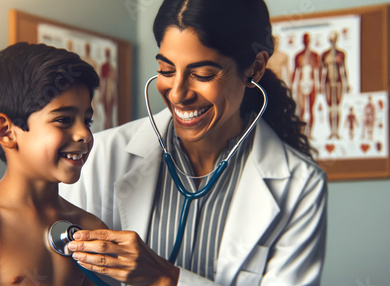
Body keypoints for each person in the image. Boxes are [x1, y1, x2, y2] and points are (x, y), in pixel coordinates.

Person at [60, 0, 328, 285]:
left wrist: (168, 279)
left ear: (256, 67)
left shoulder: (301, 185)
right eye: (166, 70)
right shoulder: (99, 156)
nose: (177, 94)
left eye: (202, 74)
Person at [0, 42, 108, 286]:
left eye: (87, 121)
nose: (84, 134)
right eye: (63, 119)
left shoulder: (90, 226)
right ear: (6, 131)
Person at [320, 30, 350, 140]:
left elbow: (343, 69)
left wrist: (347, 83)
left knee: (337, 107)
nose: (333, 41)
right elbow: (322, 71)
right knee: (330, 108)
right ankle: (331, 132)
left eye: (334, 39)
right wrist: (321, 85)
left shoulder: (341, 54)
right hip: (328, 82)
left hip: (338, 82)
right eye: (331, 39)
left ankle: (336, 131)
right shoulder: (324, 54)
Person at [291, 33, 320, 140]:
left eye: (308, 40)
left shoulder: (315, 55)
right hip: (301, 83)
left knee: (311, 109)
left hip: (311, 83)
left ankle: (310, 133)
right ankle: (302, 134)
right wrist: (291, 84)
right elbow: (295, 71)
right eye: (305, 40)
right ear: (303, 41)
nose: (306, 42)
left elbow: (318, 71)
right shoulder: (298, 55)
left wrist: (319, 84)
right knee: (302, 109)